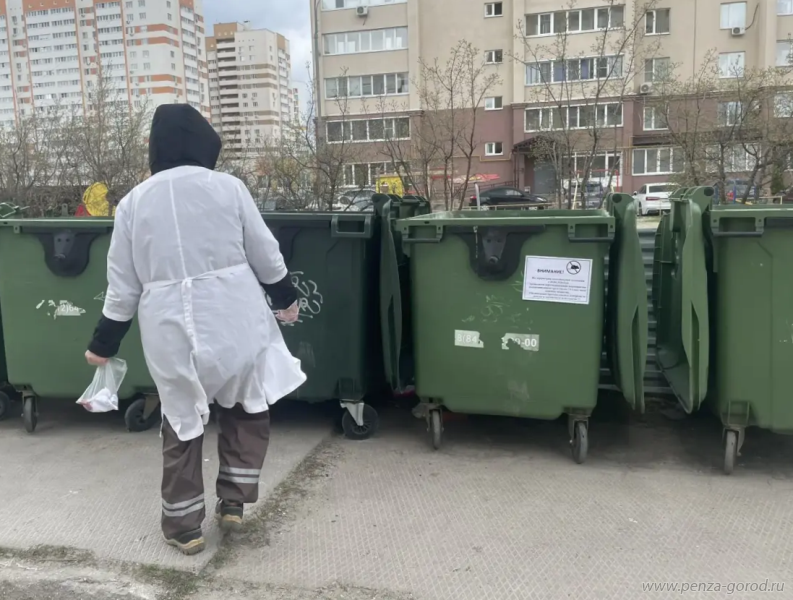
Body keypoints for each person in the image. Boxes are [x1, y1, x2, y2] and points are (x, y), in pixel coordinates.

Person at [84, 104, 306, 556]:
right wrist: (285, 298)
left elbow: (122, 285)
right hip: (234, 316)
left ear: (155, 148)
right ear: (206, 142)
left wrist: (103, 343)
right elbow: (265, 252)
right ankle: (234, 501)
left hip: (169, 326)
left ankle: (184, 526)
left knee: (182, 416)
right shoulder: (229, 187)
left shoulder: (133, 203)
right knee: (246, 404)